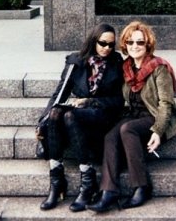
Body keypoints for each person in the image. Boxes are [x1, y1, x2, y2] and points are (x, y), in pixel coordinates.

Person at [86, 20, 176, 212]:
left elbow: (166, 104)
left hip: (154, 116)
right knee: (110, 136)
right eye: (130, 42)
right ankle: (109, 191)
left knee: (127, 129)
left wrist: (157, 131)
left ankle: (141, 187)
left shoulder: (159, 68)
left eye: (140, 42)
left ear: (148, 45)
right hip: (133, 114)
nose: (135, 46)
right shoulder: (126, 67)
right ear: (125, 45)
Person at [39, 23, 124, 212]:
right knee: (57, 113)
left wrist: (90, 101)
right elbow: (59, 94)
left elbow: (119, 100)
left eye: (111, 45)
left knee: (70, 116)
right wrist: (43, 120)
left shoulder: (116, 63)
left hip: (103, 116)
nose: (107, 48)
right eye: (103, 43)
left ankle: (87, 183)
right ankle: (56, 181)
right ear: (93, 41)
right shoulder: (76, 61)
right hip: (78, 116)